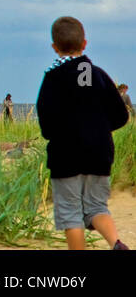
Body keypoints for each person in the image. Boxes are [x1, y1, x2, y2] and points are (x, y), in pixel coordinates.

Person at [36, 15, 130, 250]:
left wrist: (64, 133)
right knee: (97, 208)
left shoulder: (53, 77)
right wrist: (96, 130)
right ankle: (116, 243)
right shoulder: (96, 74)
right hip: (99, 152)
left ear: (54, 47)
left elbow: (46, 122)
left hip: (66, 155)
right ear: (85, 43)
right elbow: (121, 115)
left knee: (71, 215)